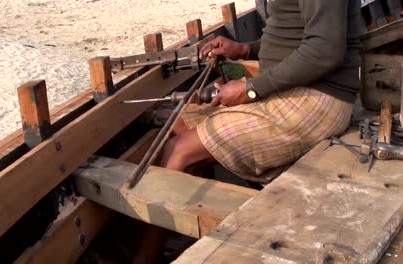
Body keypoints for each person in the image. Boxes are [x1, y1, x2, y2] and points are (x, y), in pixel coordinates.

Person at [133, 0, 362, 262]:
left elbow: (324, 49)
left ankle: (144, 258)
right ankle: (199, 235)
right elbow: (291, 35)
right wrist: (244, 49)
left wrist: (251, 88)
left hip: (318, 97)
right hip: (290, 86)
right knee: (180, 124)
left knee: (180, 150)